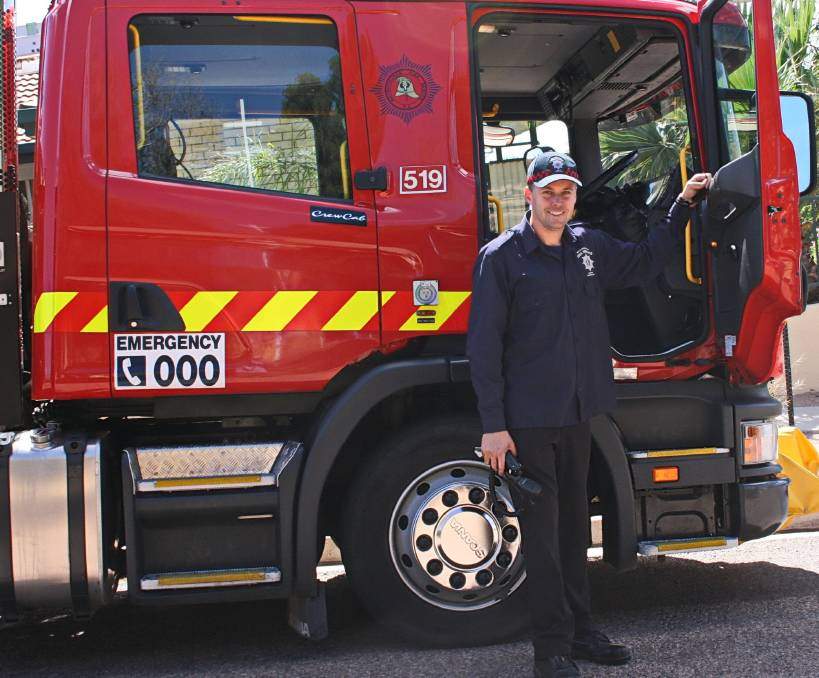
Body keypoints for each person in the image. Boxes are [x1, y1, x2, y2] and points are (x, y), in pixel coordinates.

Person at [467, 151, 711, 678]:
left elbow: (646, 259)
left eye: (567, 193)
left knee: (576, 529)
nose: (558, 202)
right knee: (545, 536)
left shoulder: (588, 248)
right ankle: (549, 650)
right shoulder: (502, 258)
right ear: (528, 194)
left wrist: (682, 206)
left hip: (580, 413)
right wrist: (493, 424)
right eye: (549, 192)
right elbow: (483, 346)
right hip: (528, 421)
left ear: (575, 198)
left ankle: (581, 633)